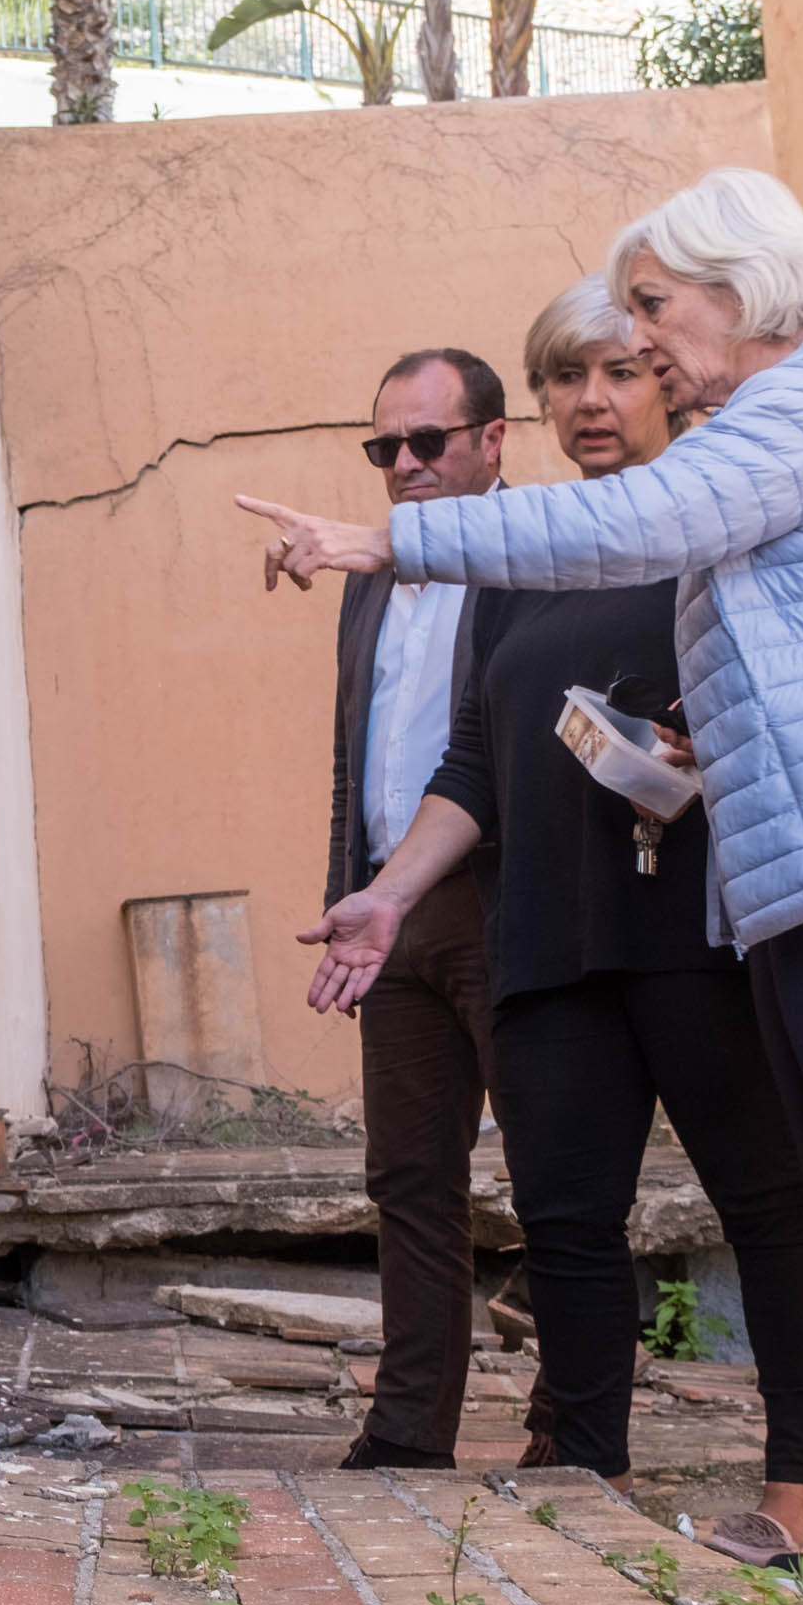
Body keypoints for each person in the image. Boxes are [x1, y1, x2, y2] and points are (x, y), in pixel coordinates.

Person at [240, 169, 803, 1605]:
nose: (643, 344)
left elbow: (626, 526)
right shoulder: (791, 423)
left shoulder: (800, 411)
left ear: (739, 294)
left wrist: (396, 535)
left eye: (653, 311)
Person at [327, 280, 803, 1560]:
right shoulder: (526, 557)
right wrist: (387, 894)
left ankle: (802, 1490)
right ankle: (585, 1483)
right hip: (548, 937)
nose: (593, 401)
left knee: (765, 1201)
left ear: (665, 380)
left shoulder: (713, 522)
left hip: (698, 928)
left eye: (619, 372)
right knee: (564, 1223)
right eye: (567, 380)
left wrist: (709, 748)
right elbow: (471, 760)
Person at [295, 348, 509, 1473]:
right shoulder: (370, 579)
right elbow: (359, 752)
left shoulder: (539, 554)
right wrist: (350, 886)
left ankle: (574, 1432)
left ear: (491, 440)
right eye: (386, 448)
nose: (407, 465)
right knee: (410, 1177)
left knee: (561, 1177)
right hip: (391, 912)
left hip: (504, 900)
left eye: (429, 441)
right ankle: (409, 1430)